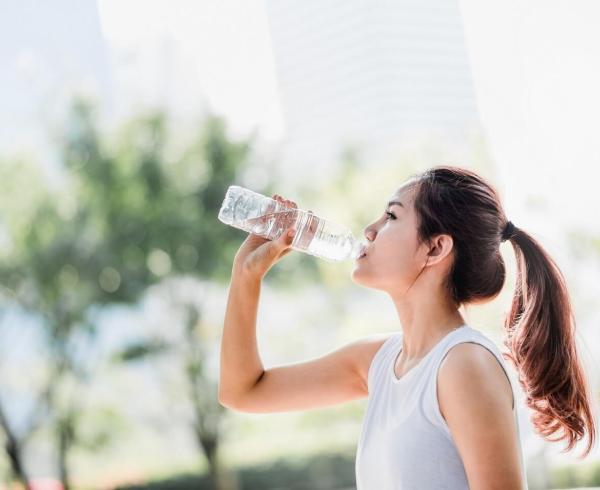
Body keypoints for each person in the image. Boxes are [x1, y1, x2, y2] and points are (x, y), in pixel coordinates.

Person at [219, 165, 597, 489]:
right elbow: (243, 392)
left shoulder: (464, 365)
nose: (369, 230)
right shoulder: (378, 362)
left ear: (435, 248)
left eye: (392, 217)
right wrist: (246, 275)